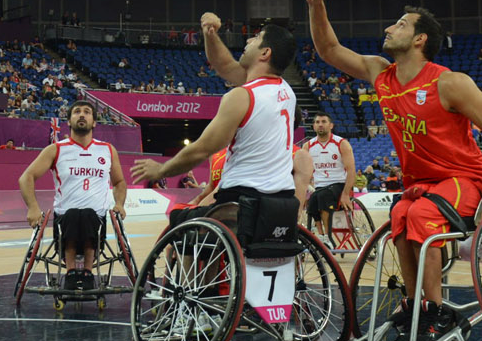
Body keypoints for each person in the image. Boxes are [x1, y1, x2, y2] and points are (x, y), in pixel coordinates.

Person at [301, 0, 482, 341]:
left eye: (400, 24)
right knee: (400, 213)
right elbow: (329, 51)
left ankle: (434, 312)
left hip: (468, 180)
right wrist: (316, 3)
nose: (389, 28)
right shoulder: (381, 74)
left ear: (420, 39)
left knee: (420, 214)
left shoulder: (449, 82)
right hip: (424, 185)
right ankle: (415, 304)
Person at [131, 18, 313, 242]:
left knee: (180, 220)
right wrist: (210, 35)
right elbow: (225, 65)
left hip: (241, 200)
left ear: (265, 53)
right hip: (280, 201)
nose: (248, 39)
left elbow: (201, 150)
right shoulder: (286, 91)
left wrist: (161, 171)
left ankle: (195, 278)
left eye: (255, 38)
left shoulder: (241, 96)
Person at [19, 99, 126, 290]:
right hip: (64, 220)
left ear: (94, 122)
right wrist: (33, 208)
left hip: (98, 220)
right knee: (75, 214)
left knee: (87, 215)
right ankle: (70, 272)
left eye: (87, 112)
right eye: (77, 112)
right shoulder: (56, 149)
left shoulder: (107, 150)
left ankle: (87, 271)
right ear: (69, 121)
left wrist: (119, 204)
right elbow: (26, 177)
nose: (82, 115)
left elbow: (119, 182)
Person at [301, 113, 356, 242]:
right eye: (317, 122)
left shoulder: (342, 143)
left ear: (331, 125)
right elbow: (304, 174)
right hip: (320, 187)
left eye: (324, 121)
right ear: (314, 126)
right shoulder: (307, 146)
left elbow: (351, 170)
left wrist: (346, 194)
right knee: (313, 200)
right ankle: (320, 236)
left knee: (322, 195)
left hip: (339, 184)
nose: (320, 124)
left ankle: (327, 236)